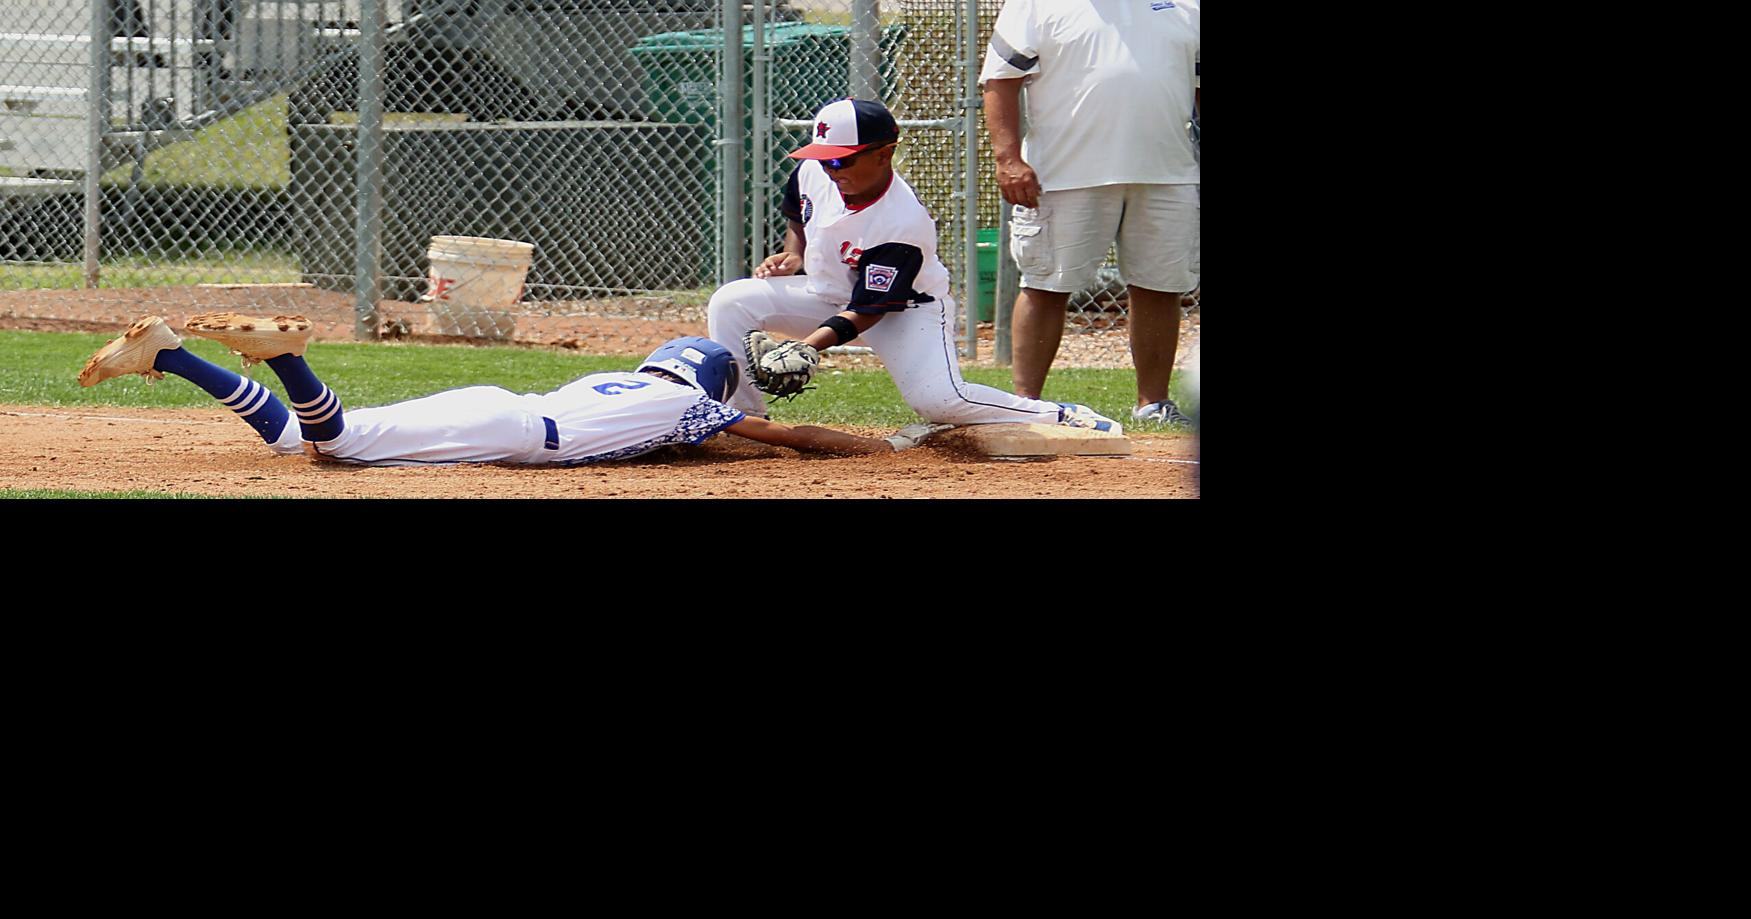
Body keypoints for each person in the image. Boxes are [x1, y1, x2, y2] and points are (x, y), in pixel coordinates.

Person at [705, 97, 1123, 434]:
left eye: (842, 160)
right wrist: (794, 252)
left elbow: (870, 308)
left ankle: (1058, 415)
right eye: (825, 157)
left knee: (940, 401)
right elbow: (799, 210)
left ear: (885, 154)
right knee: (731, 301)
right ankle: (746, 421)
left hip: (905, 313)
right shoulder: (813, 171)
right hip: (826, 294)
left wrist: (807, 347)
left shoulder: (902, 221)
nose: (830, 169)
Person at [75, 313, 951, 465]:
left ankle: (175, 356)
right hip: (511, 433)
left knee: (301, 444)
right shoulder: (698, 409)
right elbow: (789, 439)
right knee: (335, 446)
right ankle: (293, 358)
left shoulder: (627, 378)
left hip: (501, 407)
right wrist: (881, 448)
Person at [980, 0, 1199, 427]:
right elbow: (1000, 80)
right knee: (1046, 285)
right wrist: (1007, 158)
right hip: (1063, 174)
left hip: (1169, 171)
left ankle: (1153, 404)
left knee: (1160, 286)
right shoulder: (1035, 4)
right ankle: (1024, 406)